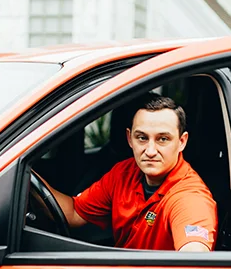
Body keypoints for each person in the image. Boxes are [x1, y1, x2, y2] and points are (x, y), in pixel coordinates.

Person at [39, 92, 218, 252]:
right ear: (129, 139)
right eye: (142, 138)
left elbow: (194, 256)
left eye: (163, 139)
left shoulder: (189, 197)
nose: (150, 150)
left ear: (182, 142)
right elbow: (73, 214)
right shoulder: (124, 172)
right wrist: (28, 178)